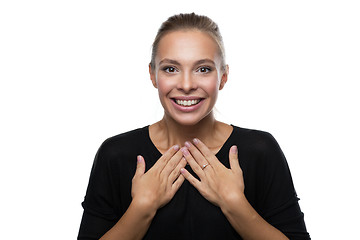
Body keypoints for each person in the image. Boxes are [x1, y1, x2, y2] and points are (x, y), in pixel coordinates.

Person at [78, 13, 310, 240]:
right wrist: (141, 208)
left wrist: (234, 203)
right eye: (170, 68)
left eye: (203, 69)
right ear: (152, 75)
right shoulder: (116, 154)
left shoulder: (261, 151)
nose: (187, 85)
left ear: (223, 77)